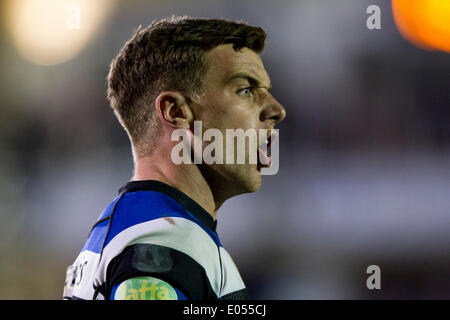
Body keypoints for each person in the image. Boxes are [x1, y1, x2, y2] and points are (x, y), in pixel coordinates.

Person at [63, 16, 286, 300]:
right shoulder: (162, 247)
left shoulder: (130, 223)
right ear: (176, 112)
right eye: (245, 90)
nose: (277, 110)